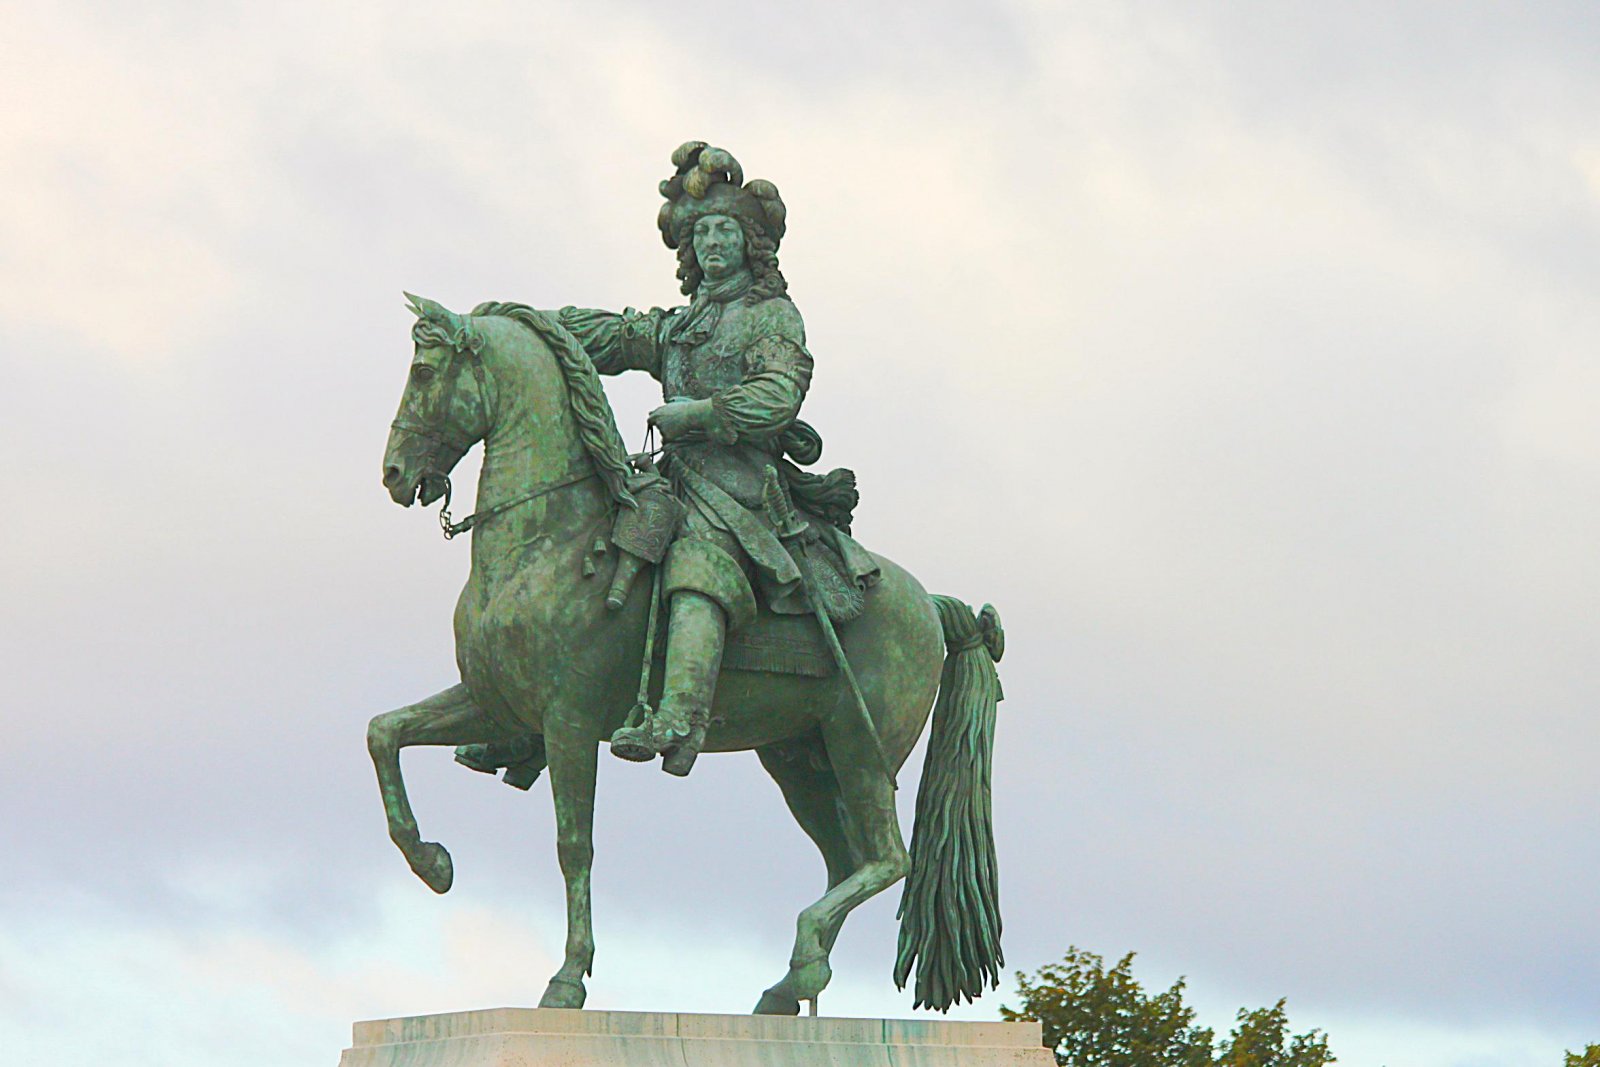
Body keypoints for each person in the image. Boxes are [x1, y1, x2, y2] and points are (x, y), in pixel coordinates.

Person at [555, 142, 877, 776]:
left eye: (724, 230)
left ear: (749, 243)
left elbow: (778, 396)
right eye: (701, 233)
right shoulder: (680, 326)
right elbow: (616, 336)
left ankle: (681, 713)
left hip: (741, 490)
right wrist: (528, 325)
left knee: (698, 559)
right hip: (674, 482)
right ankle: (529, 706)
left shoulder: (772, 317)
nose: (711, 243)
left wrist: (698, 415)